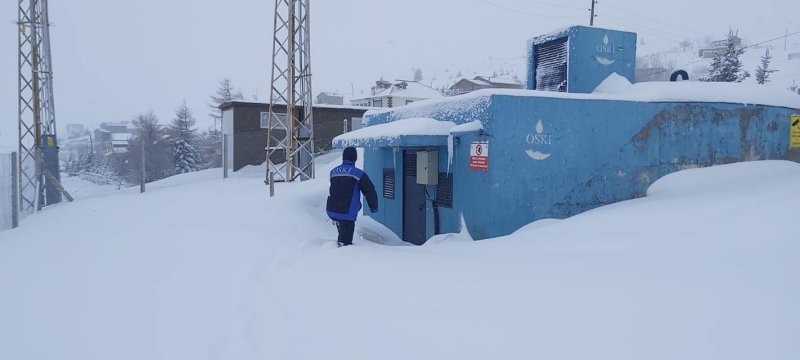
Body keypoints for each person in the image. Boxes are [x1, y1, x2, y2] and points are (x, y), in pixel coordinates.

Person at [326, 147, 378, 247]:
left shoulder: (333, 172)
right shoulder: (358, 174)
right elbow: (370, 191)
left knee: (341, 235)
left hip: (332, 210)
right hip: (347, 212)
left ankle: (337, 248)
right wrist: (373, 207)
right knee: (346, 243)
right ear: (355, 158)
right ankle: (343, 252)